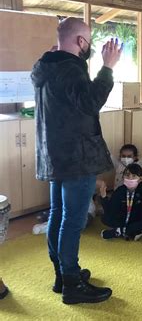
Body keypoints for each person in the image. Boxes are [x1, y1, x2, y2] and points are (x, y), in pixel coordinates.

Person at [32, 17, 122, 304]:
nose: (91, 45)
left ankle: (63, 275)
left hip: (56, 155)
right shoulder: (69, 69)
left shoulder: (49, 66)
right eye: (89, 40)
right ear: (80, 41)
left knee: (59, 215)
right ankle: (72, 284)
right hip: (76, 156)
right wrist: (107, 67)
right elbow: (90, 102)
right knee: (71, 221)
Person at [99, 164, 142, 241]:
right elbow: (110, 210)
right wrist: (104, 197)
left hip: (135, 221)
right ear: (123, 177)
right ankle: (131, 232)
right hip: (121, 220)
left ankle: (119, 231)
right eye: (127, 175)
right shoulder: (119, 191)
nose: (130, 178)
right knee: (105, 218)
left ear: (140, 179)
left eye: (134, 176)